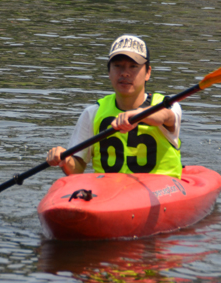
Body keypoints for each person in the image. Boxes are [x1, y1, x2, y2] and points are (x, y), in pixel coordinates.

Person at [46, 34, 183, 179]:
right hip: (110, 193)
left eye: (133, 66)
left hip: (161, 189)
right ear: (109, 72)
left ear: (147, 73)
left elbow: (164, 116)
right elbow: (77, 170)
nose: (124, 73)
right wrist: (64, 160)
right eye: (117, 66)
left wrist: (139, 115)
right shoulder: (93, 113)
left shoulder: (169, 106)